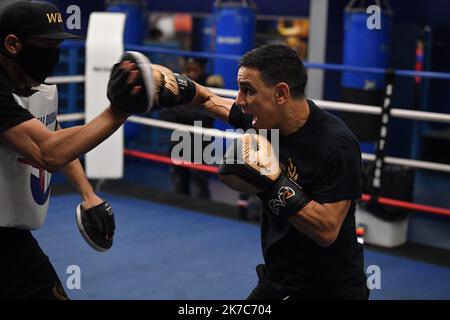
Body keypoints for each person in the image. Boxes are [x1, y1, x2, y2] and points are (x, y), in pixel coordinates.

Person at [149, 44, 368, 299]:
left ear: (281, 93)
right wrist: (173, 85)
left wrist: (270, 184)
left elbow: (327, 230)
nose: (239, 100)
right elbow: (209, 100)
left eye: (248, 90)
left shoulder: (337, 144)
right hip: (277, 281)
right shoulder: (261, 121)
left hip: (330, 290)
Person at [0, 1, 151, 299]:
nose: (53, 56)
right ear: (13, 44)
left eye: (58, 46)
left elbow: (50, 133)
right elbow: (49, 153)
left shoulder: (26, 86)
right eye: (47, 46)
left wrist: (87, 193)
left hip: (11, 240)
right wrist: (117, 112)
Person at [159, 57, 216, 199]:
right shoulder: (179, 86)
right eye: (189, 68)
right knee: (178, 178)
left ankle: (203, 212)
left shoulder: (210, 88)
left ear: (202, 69)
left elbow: (206, 118)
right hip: (179, 137)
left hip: (201, 140)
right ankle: (180, 211)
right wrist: (192, 113)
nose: (191, 72)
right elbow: (165, 113)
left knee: (199, 180)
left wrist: (180, 112)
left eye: (195, 68)